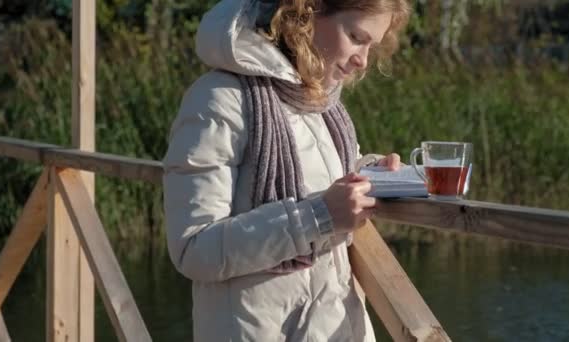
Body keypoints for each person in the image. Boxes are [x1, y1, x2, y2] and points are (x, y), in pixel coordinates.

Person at [162, 0, 410, 340]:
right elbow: (194, 249)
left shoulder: (320, 103)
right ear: (308, 12)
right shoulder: (218, 100)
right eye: (355, 36)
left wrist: (372, 174)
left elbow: (322, 177)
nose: (362, 60)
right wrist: (319, 216)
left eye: (372, 46)